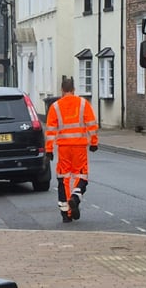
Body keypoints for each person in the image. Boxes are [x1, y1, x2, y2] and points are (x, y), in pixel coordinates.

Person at [45, 77, 99, 223]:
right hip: (79, 147)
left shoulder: (55, 107)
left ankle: (66, 214)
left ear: (62, 90)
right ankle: (75, 198)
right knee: (81, 177)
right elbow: (92, 125)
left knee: (64, 178)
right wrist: (94, 142)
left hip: (63, 148)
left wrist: (49, 150)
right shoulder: (83, 104)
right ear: (74, 90)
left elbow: (50, 131)